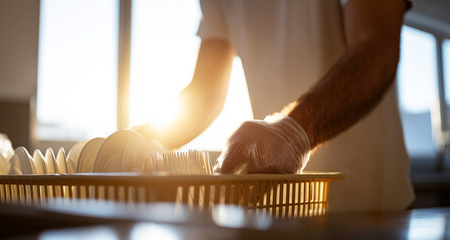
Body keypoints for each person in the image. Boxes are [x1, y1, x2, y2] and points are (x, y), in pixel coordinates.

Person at [137, 0, 415, 212]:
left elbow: (377, 43)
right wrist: (128, 144)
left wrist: (295, 130)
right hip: (279, 203)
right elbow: (204, 95)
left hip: (368, 205)